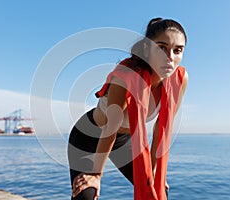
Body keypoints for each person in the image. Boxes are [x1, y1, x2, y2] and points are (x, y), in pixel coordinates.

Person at [67, 17, 188, 200]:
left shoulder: (179, 80)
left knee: (158, 191)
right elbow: (110, 128)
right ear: (147, 48)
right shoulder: (126, 77)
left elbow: (161, 130)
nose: (170, 58)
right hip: (89, 135)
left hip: (123, 140)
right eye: (161, 48)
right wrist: (96, 175)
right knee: (86, 195)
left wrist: (155, 172)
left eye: (177, 50)